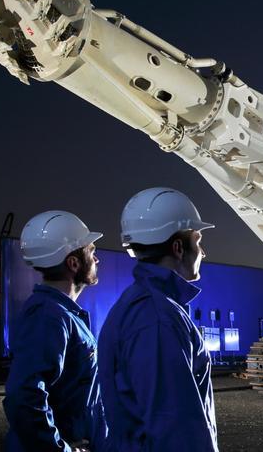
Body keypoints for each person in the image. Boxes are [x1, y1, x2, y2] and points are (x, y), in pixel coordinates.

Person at [98, 188, 218, 451]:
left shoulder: (139, 304)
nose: (203, 252)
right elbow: (175, 429)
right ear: (178, 248)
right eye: (197, 241)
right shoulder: (157, 318)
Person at [4, 211, 107, 452]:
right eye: (92, 252)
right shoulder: (49, 317)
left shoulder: (60, 314)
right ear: (73, 263)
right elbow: (23, 396)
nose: (97, 259)